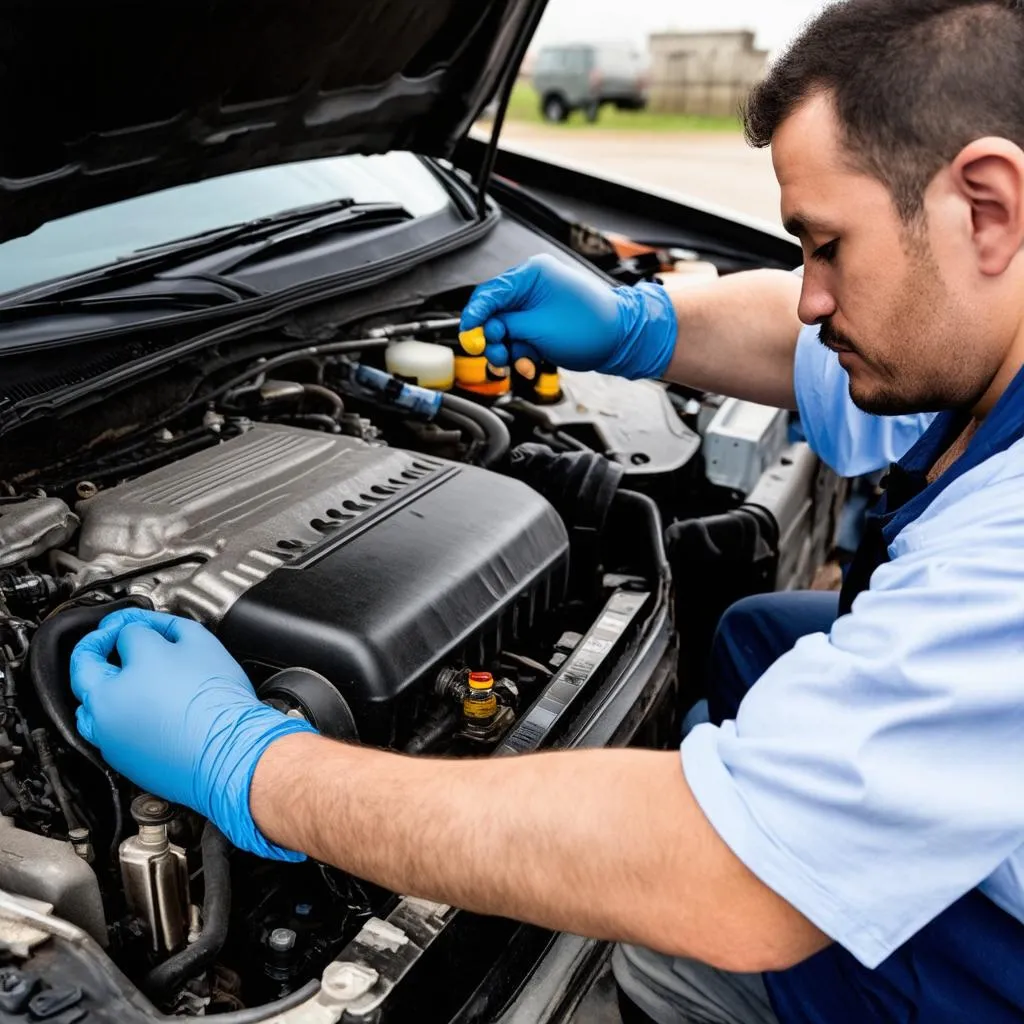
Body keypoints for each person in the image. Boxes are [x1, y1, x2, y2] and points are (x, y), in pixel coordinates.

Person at [69, 1, 1024, 1020]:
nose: (808, 298)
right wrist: (638, 326)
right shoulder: (978, 327)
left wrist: (254, 766)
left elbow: (732, 876)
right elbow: (794, 349)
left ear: (988, 205)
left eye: (827, 247)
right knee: (757, 636)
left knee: (665, 958)